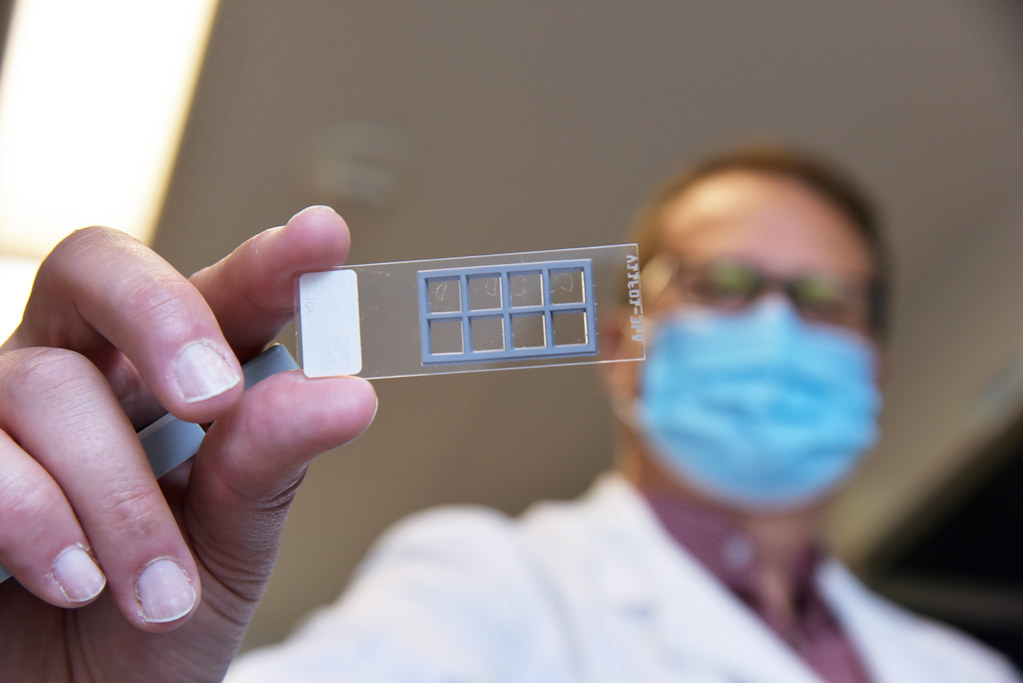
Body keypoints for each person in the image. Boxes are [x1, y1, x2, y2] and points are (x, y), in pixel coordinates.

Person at [0, 147, 1016, 682]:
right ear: (626, 345)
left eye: (824, 300)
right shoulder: (484, 586)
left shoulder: (966, 670)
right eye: (726, 282)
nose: (775, 329)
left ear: (874, 365)